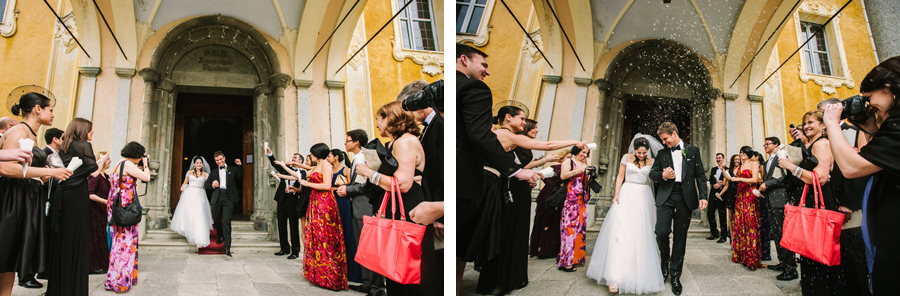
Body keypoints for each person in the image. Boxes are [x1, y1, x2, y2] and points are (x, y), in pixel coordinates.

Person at [455, 43, 542, 289]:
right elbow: (478, 135)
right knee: (461, 241)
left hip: (464, 175)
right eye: (483, 64)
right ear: (464, 59)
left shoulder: (444, 87)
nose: (487, 71)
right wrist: (515, 170)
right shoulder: (474, 88)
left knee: (457, 244)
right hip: (475, 179)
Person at [472, 105, 585, 294]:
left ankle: (501, 279)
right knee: (495, 232)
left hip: (500, 183)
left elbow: (513, 164)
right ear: (508, 117)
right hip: (492, 185)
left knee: (501, 232)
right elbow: (546, 145)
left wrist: (523, 174)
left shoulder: (505, 136)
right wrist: (575, 141)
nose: (525, 123)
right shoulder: (506, 135)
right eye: (522, 119)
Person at [822, 56, 900, 295]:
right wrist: (869, 124)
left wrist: (832, 122)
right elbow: (885, 152)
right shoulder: (893, 125)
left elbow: (851, 167)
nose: (868, 104)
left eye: (869, 97)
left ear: (890, 88)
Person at [355, 101, 439, 295]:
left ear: (391, 118)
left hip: (408, 207)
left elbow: (402, 184)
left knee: (409, 266)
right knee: (396, 265)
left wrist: (370, 173)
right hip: (400, 204)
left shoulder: (405, 142)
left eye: (380, 117)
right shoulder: (397, 142)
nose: (376, 122)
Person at [0, 93, 72, 296]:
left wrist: (40, 177)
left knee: (12, 257)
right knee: (6, 251)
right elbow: (6, 169)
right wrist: (49, 171)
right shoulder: (18, 132)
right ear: (38, 109)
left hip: (28, 195)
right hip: (13, 198)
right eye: (50, 110)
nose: (53, 115)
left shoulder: (30, 134)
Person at [778, 110, 848, 295]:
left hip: (821, 201)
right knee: (811, 253)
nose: (807, 126)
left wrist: (790, 166)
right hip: (812, 201)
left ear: (823, 125)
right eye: (805, 123)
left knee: (820, 253)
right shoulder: (811, 145)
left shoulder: (823, 144)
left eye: (812, 122)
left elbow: (821, 178)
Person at [586, 137, 665, 294]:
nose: (641, 155)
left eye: (644, 152)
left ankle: (637, 274)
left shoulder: (652, 161)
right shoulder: (625, 157)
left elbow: (654, 179)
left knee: (640, 233)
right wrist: (616, 195)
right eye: (639, 152)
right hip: (627, 192)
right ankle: (614, 276)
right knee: (621, 232)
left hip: (643, 195)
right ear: (634, 149)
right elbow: (620, 177)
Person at [648, 122, 708, 295]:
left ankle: (675, 274)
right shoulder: (662, 153)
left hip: (685, 199)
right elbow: (652, 174)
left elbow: (700, 176)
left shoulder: (693, 150)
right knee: (661, 232)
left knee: (680, 238)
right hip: (666, 197)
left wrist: (703, 196)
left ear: (674, 134)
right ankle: (663, 265)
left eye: (665, 139)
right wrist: (662, 175)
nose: (664, 142)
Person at [45, 118, 98, 295]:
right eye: (90, 130)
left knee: (64, 238)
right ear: (82, 130)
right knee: (76, 237)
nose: (92, 133)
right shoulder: (82, 144)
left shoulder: (66, 146)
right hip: (75, 194)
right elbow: (91, 166)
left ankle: (60, 287)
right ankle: (74, 289)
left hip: (64, 192)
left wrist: (68, 178)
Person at [336, 129, 386, 295]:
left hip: (365, 205)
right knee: (362, 246)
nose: (345, 143)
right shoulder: (356, 158)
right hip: (357, 206)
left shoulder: (365, 157)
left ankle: (377, 286)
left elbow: (367, 184)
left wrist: (347, 189)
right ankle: (366, 282)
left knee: (370, 246)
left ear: (356, 142)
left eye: (348, 140)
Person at [297, 143, 347, 291]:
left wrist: (307, 183)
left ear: (318, 153)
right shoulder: (317, 165)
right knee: (316, 237)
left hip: (324, 202)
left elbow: (327, 185)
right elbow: (302, 174)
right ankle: (318, 274)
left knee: (325, 237)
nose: (310, 156)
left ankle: (329, 275)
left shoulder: (326, 166)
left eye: (312, 153)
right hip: (314, 202)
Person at [105, 142, 149, 292]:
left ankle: (113, 279)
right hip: (126, 208)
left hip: (116, 206)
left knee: (117, 244)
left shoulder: (119, 163)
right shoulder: (129, 164)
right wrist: (146, 165)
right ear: (137, 155)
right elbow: (146, 177)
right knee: (125, 245)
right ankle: (121, 282)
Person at [758, 137, 799, 281]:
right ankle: (783, 262)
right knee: (776, 233)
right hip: (770, 200)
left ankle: (791, 268)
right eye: (764, 144)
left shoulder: (781, 157)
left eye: (768, 144)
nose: (765, 146)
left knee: (783, 233)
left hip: (779, 199)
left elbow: (782, 177)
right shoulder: (767, 161)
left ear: (776, 144)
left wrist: (766, 184)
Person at [723, 146, 762, 271]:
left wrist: (740, 179)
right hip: (740, 196)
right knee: (740, 224)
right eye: (741, 152)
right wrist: (723, 169)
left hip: (749, 195)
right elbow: (730, 178)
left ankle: (751, 257)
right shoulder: (739, 167)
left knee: (750, 224)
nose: (742, 154)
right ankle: (741, 255)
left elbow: (755, 179)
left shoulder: (753, 164)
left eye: (744, 152)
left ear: (749, 154)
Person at [559, 145, 592, 273]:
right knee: (569, 229)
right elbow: (563, 176)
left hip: (582, 199)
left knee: (579, 229)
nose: (585, 155)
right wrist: (581, 170)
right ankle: (566, 262)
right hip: (571, 199)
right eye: (583, 152)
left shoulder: (585, 163)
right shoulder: (569, 162)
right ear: (576, 151)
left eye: (587, 153)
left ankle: (576, 257)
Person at [529, 149, 567, 259]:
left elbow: (543, 177)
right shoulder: (561, 168)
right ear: (562, 158)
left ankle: (541, 248)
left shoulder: (550, 168)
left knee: (543, 221)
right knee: (553, 222)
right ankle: (550, 249)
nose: (569, 160)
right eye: (568, 157)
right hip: (555, 196)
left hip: (546, 194)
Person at [266, 147, 302, 259]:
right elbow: (275, 164)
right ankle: (284, 249)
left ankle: (295, 251)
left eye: (295, 158)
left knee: (293, 225)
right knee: (281, 224)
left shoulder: (303, 172)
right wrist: (270, 154)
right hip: (282, 199)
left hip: (294, 200)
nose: (293, 159)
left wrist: (294, 189)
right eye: (293, 157)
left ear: (300, 161)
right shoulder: (285, 169)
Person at [205, 151, 243, 257]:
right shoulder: (213, 172)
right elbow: (207, 185)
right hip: (217, 198)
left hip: (228, 198)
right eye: (217, 160)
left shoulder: (232, 169)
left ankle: (227, 247)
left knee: (226, 222)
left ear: (224, 158)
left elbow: (240, 177)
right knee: (216, 219)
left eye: (221, 159)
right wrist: (212, 185)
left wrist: (239, 166)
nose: (219, 161)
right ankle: (220, 235)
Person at [170, 156, 214, 248]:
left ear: (202, 164)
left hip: (200, 195)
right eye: (197, 163)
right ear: (194, 164)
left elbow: (208, 185)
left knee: (199, 215)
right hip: (190, 194)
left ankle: (199, 238)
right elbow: (185, 182)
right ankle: (189, 232)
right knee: (190, 214)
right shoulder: (189, 172)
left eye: (200, 163)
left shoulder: (206, 174)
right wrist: (182, 188)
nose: (199, 164)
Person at [87, 152, 111, 274]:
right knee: (93, 237)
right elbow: (89, 193)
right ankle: (91, 265)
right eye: (108, 160)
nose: (110, 162)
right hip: (94, 211)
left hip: (102, 211)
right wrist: (105, 201)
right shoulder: (95, 176)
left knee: (101, 235)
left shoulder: (105, 176)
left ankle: (101, 264)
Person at [719, 154, 741, 242]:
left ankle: (737, 237)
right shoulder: (729, 170)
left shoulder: (741, 169)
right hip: (730, 195)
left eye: (738, 159)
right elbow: (726, 184)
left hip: (739, 194)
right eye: (735, 159)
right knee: (731, 217)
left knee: (738, 217)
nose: (737, 161)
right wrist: (720, 194)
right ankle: (732, 238)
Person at [707, 153, 728, 242]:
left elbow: (728, 180)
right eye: (717, 158)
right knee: (710, 214)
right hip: (713, 194)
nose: (718, 160)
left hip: (721, 194)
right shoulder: (713, 169)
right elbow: (711, 179)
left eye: (720, 158)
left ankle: (723, 236)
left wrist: (721, 184)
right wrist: (713, 183)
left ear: (723, 159)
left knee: (722, 215)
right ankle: (714, 233)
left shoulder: (727, 169)